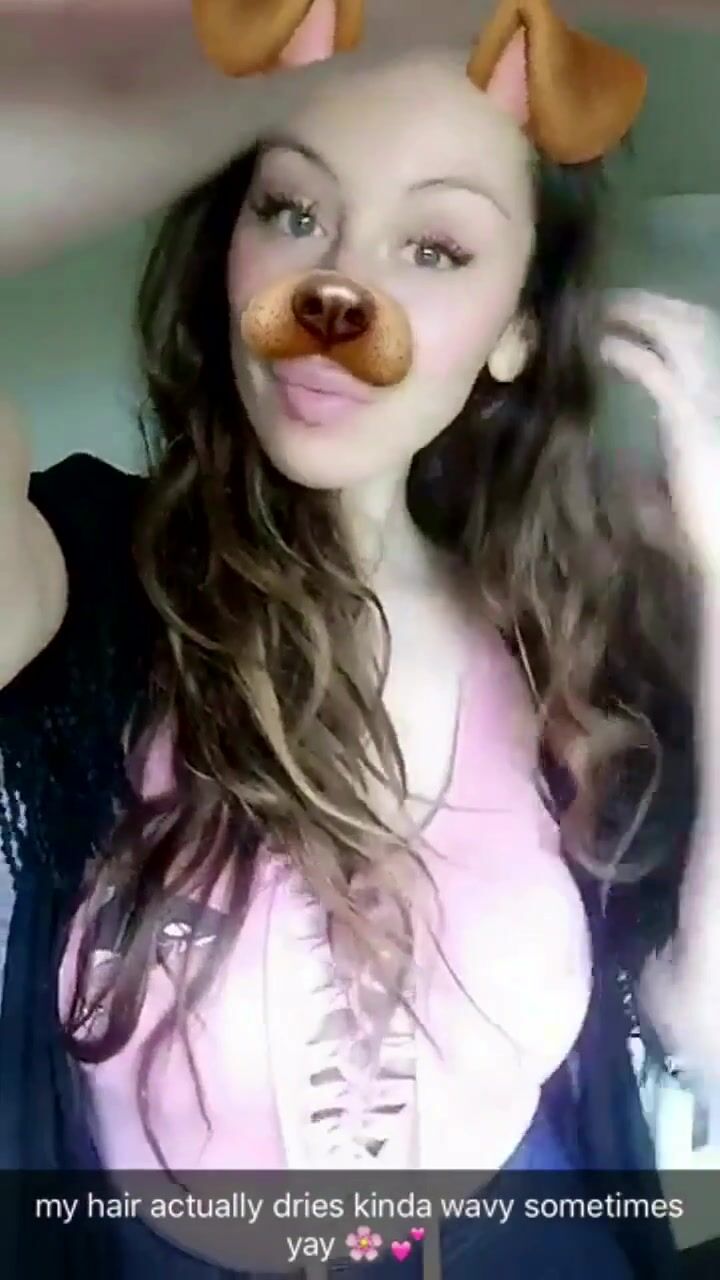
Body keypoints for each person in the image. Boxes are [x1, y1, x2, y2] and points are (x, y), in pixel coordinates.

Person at [1, 1, 720, 1278]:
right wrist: (191, 85)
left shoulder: (565, 631)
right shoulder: (93, 568)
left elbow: (702, 1023)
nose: (336, 293)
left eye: (434, 245)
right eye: (292, 209)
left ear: (516, 329)